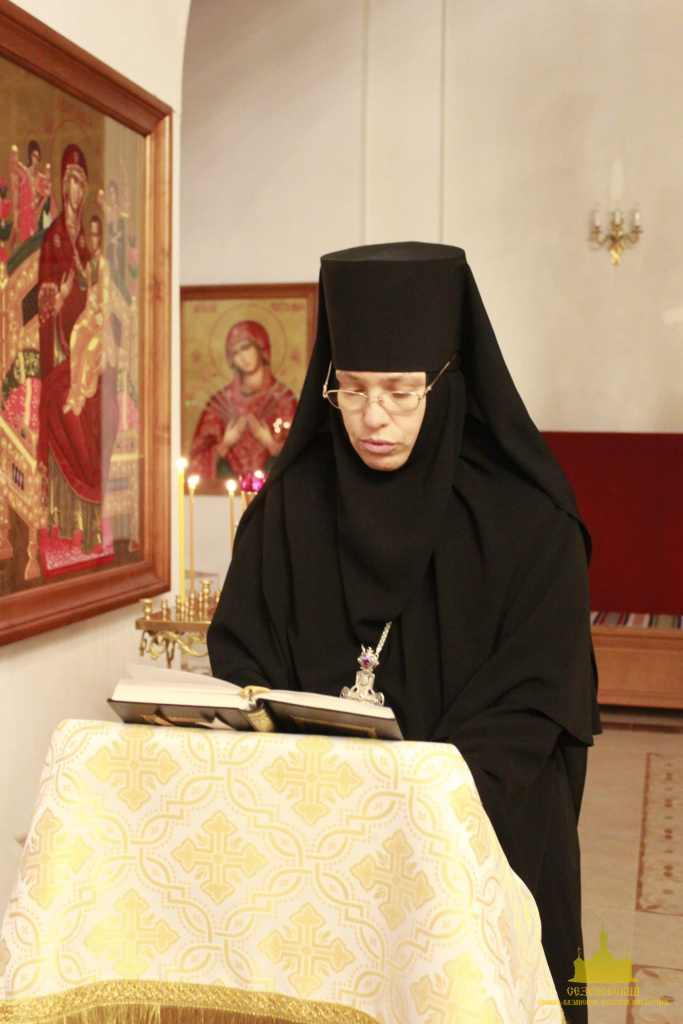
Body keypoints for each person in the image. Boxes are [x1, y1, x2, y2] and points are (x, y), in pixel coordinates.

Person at [207, 242, 600, 1022]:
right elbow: (241, 657)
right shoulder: (287, 510)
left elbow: (536, 697)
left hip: (475, 847)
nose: (372, 416)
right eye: (350, 389)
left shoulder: (530, 521)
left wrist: (407, 806)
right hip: (317, 854)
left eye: (399, 390)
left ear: (447, 380)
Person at [37, 145, 119, 556]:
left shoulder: (87, 243)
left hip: (87, 341)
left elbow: (101, 291)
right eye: (71, 180)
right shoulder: (53, 238)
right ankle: (73, 520)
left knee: (106, 410)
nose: (76, 188)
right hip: (61, 346)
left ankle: (91, 522)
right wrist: (63, 295)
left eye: (81, 182)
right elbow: (42, 302)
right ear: (63, 184)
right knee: (69, 411)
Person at [188, 320, 298, 481]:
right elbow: (195, 464)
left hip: (274, 488)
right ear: (231, 360)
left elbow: (301, 456)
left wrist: (271, 443)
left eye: (246, 347)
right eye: (235, 353)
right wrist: (225, 444)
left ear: (261, 347)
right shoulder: (219, 402)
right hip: (224, 489)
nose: (242, 357)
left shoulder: (283, 399)